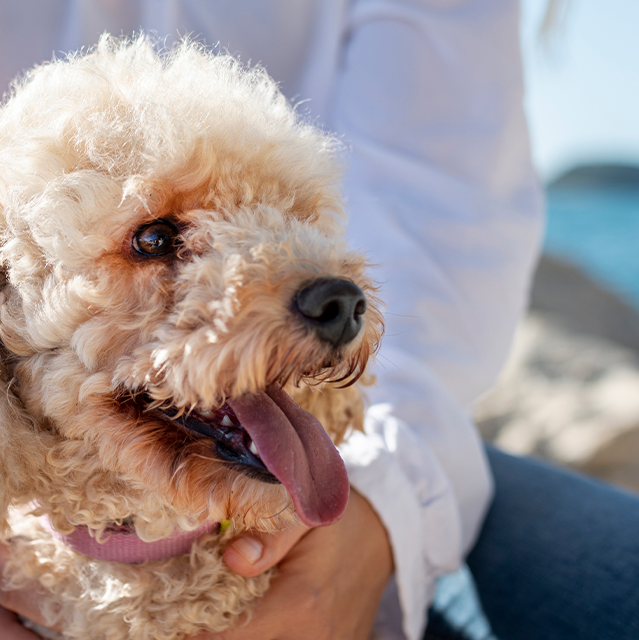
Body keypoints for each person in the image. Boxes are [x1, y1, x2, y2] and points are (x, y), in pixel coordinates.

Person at [0, 1, 546, 639]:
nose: (327, 296)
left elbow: (453, 236)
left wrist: (383, 514)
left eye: (294, 220)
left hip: (416, 438)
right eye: (156, 241)